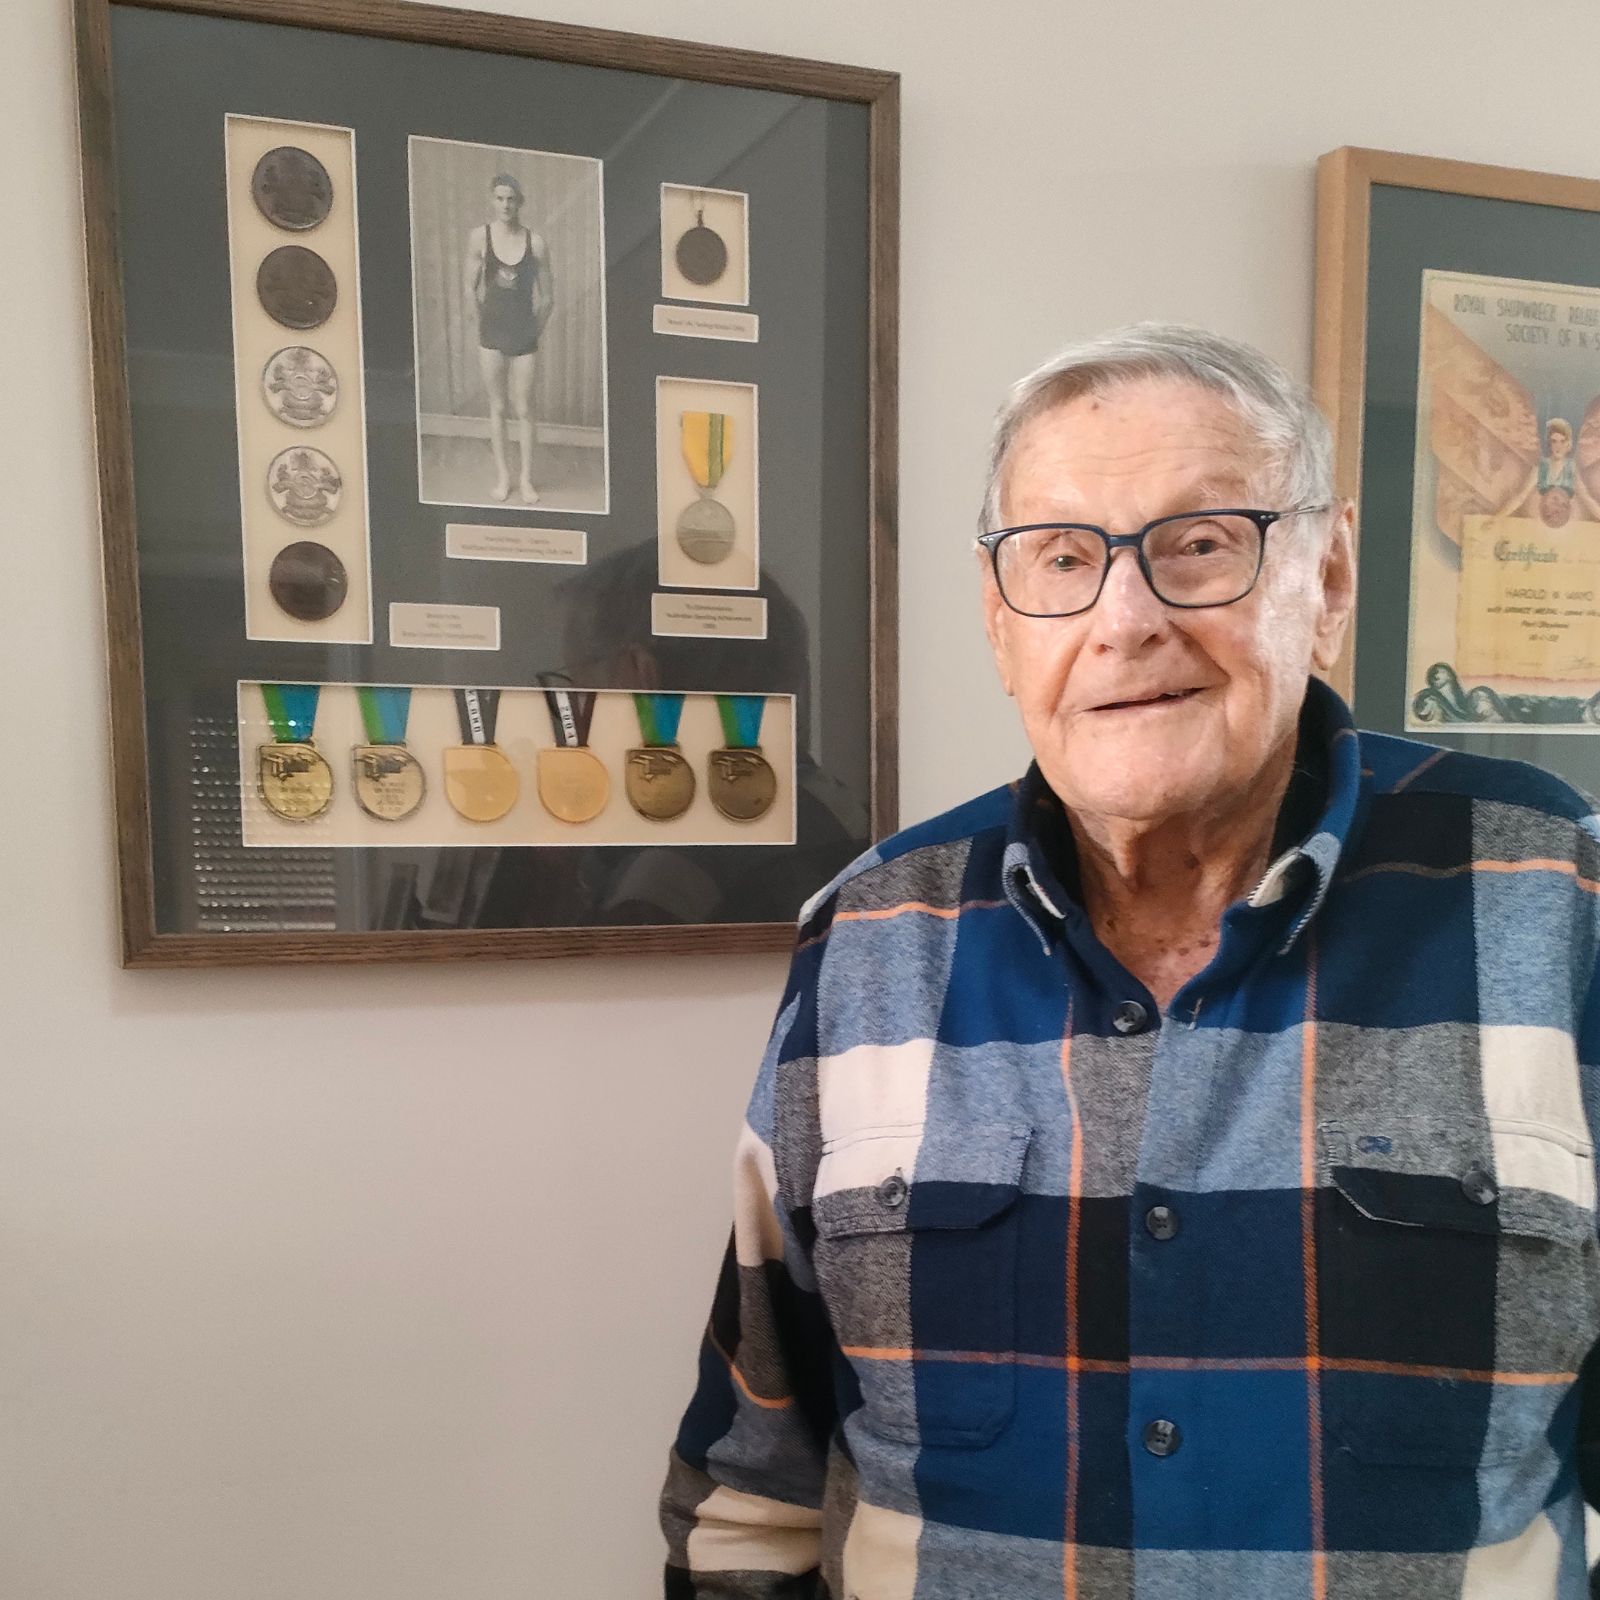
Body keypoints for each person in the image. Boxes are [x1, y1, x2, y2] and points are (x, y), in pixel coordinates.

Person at [659, 323, 1600, 1598]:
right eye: (1059, 558)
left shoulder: (1558, 903)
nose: (1124, 619)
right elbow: (753, 1485)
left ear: (1325, 580)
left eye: (1199, 545)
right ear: (1001, 625)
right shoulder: (870, 937)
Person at [462, 172, 552, 504]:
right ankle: (504, 476)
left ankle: (526, 479)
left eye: (511, 199)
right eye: (499, 198)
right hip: (492, 333)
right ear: (492, 200)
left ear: (520, 202)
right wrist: (481, 323)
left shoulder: (536, 243)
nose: (505, 205)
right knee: (497, 406)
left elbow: (549, 298)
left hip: (523, 335)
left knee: (524, 407)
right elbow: (468, 287)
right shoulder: (479, 238)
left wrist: (532, 331)